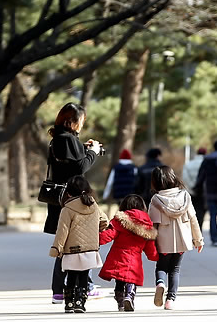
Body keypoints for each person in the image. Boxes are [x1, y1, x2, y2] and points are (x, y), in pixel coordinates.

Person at [44, 102, 103, 304]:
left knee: (65, 243)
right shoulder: (67, 139)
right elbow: (80, 168)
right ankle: (84, 285)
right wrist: (93, 152)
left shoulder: (60, 139)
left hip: (61, 199)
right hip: (72, 200)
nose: (82, 124)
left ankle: (59, 290)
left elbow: (70, 163)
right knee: (80, 243)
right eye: (81, 121)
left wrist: (83, 148)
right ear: (71, 121)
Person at [48, 176, 108, 313]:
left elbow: (62, 232)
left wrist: (56, 248)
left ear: (68, 193)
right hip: (90, 249)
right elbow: (105, 221)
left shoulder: (67, 209)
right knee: (83, 277)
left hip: (71, 250)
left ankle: (69, 303)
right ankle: (80, 302)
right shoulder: (93, 205)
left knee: (71, 276)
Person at [148, 166, 204, 310]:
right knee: (175, 270)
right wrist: (198, 240)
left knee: (161, 267)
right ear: (173, 177)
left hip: (163, 241)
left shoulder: (156, 199)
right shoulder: (185, 196)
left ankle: (160, 283)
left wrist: (150, 243)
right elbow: (193, 219)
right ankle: (170, 300)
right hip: (182, 240)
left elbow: (152, 224)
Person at [99, 194, 158, 312]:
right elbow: (150, 246)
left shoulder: (119, 220)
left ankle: (120, 300)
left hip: (118, 257)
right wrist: (156, 256)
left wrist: (95, 240)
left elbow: (109, 234)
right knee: (131, 279)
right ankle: (129, 295)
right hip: (134, 259)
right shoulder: (147, 224)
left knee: (119, 279)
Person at [182, 147, 207, 230]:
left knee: (191, 211)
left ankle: (192, 229)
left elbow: (185, 177)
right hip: (203, 191)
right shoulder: (207, 164)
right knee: (201, 211)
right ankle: (199, 228)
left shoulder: (188, 164)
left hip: (190, 191)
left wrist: (192, 187)